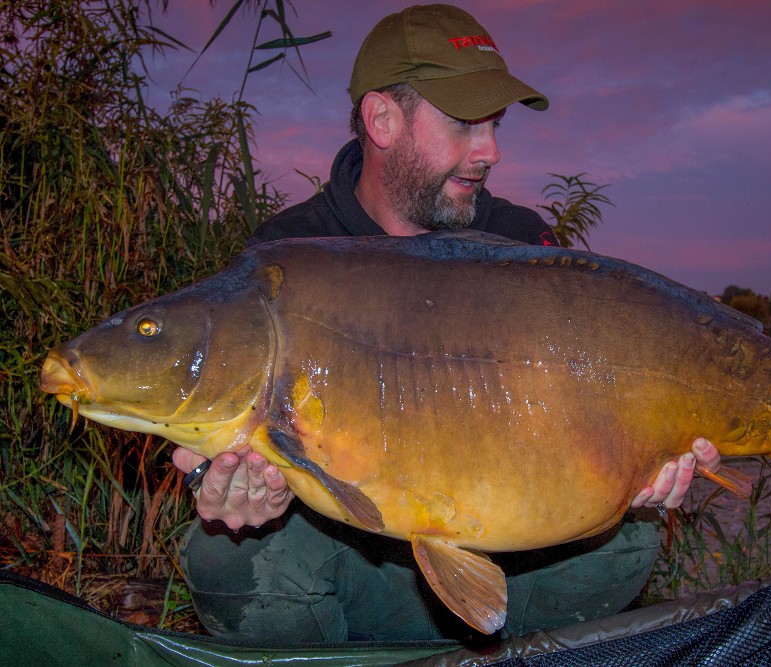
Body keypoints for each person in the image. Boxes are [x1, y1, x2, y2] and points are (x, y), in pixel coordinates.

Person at [172, 3, 722, 643]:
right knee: (226, 556)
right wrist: (223, 483)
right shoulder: (292, 254)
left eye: (495, 125)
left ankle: (512, 654)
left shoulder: (521, 242)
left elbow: (595, 389)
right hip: (355, 561)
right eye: (464, 123)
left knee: (628, 536)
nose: (491, 151)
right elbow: (226, 427)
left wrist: (640, 466)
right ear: (382, 120)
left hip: (509, 551)